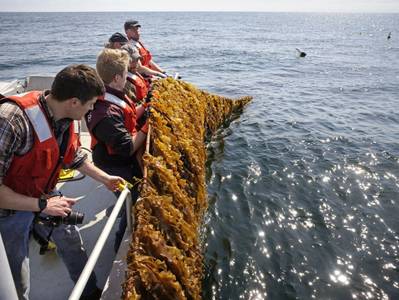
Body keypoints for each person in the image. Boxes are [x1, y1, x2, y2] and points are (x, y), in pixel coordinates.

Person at [0, 64, 125, 300]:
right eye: (91, 104)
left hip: (45, 193)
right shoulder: (11, 121)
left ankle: (89, 293)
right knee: (16, 276)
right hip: (9, 211)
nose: (92, 110)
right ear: (74, 102)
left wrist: (105, 178)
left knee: (71, 242)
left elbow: (73, 156)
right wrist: (42, 206)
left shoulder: (67, 117)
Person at [85, 49, 148, 251]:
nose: (128, 76)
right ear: (116, 77)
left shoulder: (111, 95)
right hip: (113, 163)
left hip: (119, 155)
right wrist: (147, 129)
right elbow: (127, 148)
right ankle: (121, 241)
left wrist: (146, 107)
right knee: (132, 199)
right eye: (124, 73)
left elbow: (128, 114)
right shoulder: (105, 113)